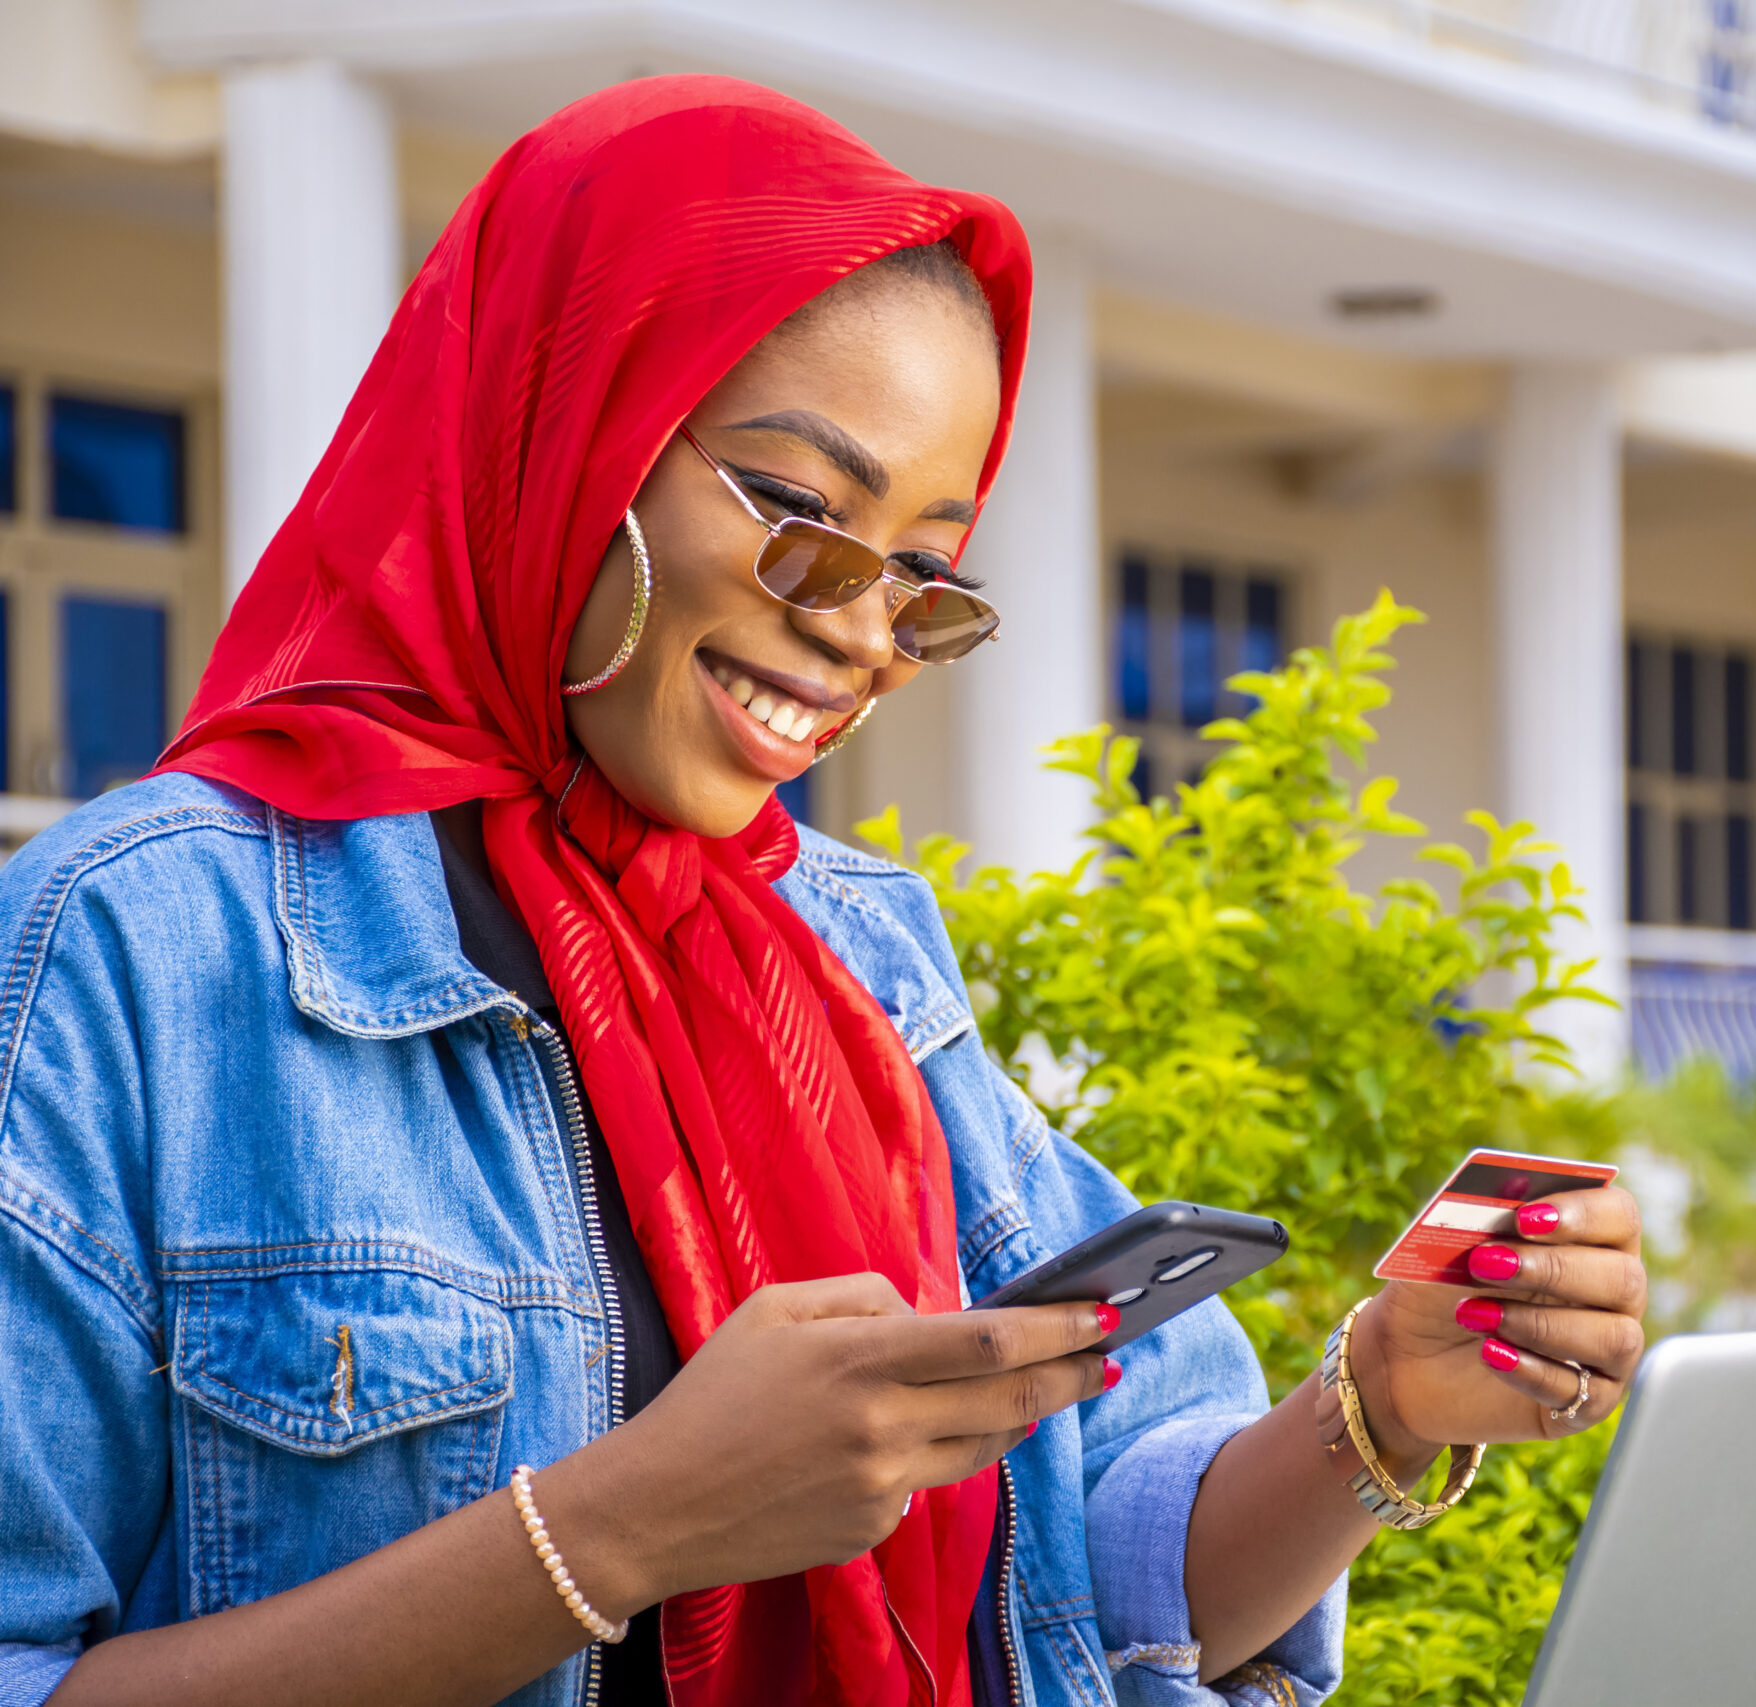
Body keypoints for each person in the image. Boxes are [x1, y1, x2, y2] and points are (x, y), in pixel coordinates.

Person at [0, 77, 1647, 1707]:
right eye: (800, 511)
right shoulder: (140, 948)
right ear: (569, 432)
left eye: (923, 572)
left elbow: (1104, 1584)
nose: (863, 632)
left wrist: (1380, 1410)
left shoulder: (851, 954)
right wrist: (627, 1528)